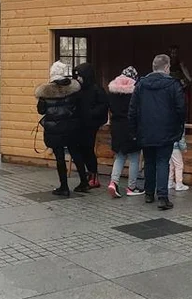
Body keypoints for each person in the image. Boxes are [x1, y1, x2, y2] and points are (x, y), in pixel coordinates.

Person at [129, 53, 186, 210]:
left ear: (153, 67)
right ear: (167, 67)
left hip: (145, 130)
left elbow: (132, 109)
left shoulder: (140, 84)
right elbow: (181, 109)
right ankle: (162, 197)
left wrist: (133, 130)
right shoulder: (173, 85)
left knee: (149, 161)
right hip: (166, 130)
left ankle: (148, 194)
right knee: (162, 162)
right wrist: (179, 126)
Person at [35, 61, 88, 197]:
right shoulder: (75, 90)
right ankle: (84, 181)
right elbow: (81, 108)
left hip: (55, 129)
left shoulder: (45, 92)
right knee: (76, 154)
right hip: (72, 128)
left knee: (59, 157)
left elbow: (41, 111)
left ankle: (64, 187)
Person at [106, 66, 143, 198]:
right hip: (131, 128)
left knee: (120, 156)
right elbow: (138, 112)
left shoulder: (112, 91)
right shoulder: (135, 93)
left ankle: (113, 182)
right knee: (134, 158)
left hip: (116, 128)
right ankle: (131, 187)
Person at [72, 63, 109, 191]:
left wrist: (91, 112)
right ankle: (87, 175)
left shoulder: (96, 90)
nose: (78, 79)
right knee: (80, 150)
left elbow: (103, 106)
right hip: (79, 124)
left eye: (80, 76)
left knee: (88, 150)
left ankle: (93, 175)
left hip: (90, 125)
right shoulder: (78, 90)